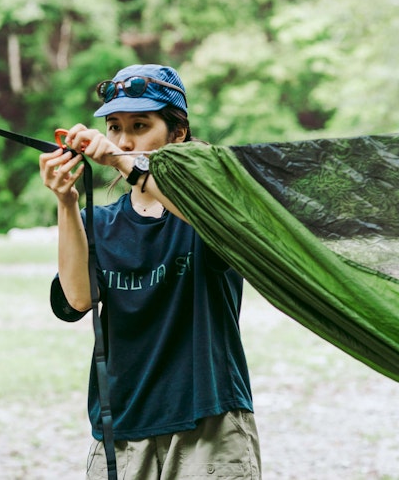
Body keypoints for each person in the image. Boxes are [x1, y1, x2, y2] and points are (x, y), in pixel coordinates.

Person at [39, 64, 261, 479]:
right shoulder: (100, 223)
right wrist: (66, 203)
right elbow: (78, 300)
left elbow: (222, 228)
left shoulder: (212, 205)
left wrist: (128, 166)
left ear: (177, 132)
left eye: (140, 125)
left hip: (209, 419)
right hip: (123, 424)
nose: (124, 140)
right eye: (115, 127)